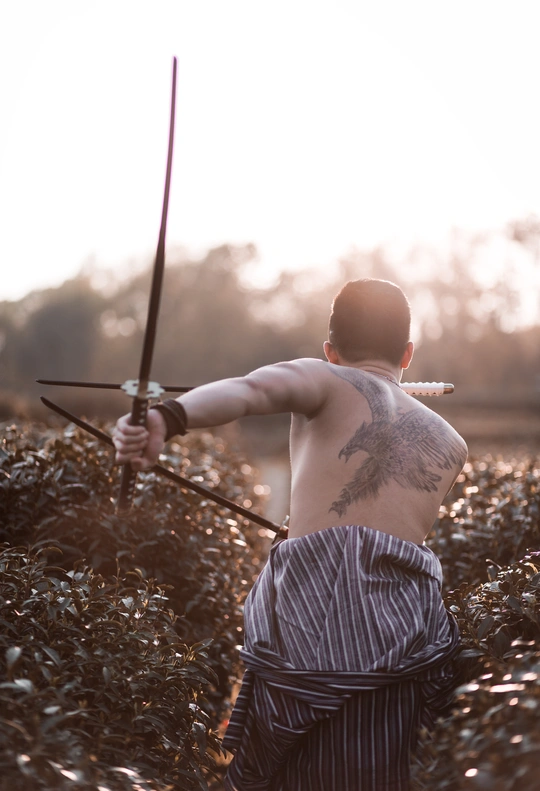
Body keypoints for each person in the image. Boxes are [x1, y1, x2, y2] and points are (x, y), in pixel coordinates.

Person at [113, 278, 467, 791]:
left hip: (308, 631)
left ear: (329, 350)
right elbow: (384, 528)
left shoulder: (321, 377)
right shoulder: (451, 441)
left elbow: (249, 390)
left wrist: (167, 417)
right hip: (404, 638)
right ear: (408, 354)